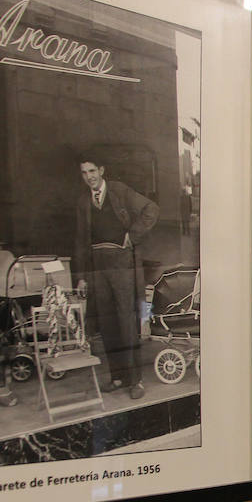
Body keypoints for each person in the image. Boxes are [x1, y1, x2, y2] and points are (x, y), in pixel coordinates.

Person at [73, 157, 158, 400]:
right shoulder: (83, 202)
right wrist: (81, 277)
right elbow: (80, 241)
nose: (89, 176)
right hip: (98, 266)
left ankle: (136, 381)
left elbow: (152, 209)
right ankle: (117, 377)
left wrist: (133, 235)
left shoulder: (119, 191)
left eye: (92, 170)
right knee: (108, 323)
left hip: (121, 263)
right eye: (84, 172)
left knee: (126, 320)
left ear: (101, 170)